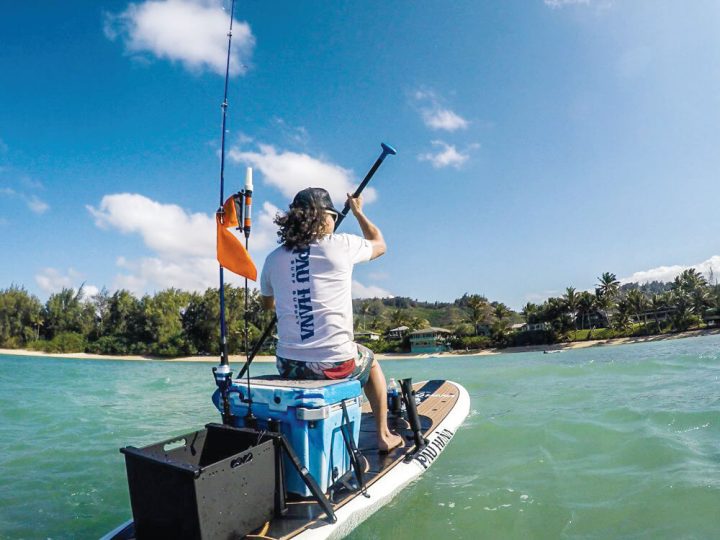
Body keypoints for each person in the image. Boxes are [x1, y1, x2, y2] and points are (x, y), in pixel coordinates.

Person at [260, 187, 403, 453]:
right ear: (322, 218)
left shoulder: (272, 259)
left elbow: (268, 304)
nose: (334, 223)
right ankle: (384, 435)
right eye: (332, 217)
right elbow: (380, 244)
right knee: (370, 360)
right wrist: (358, 212)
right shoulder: (343, 245)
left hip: (288, 365)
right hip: (335, 363)